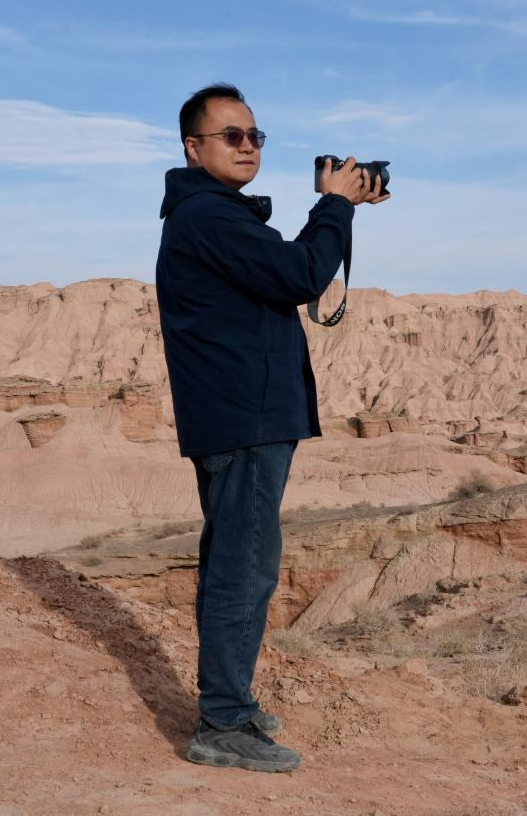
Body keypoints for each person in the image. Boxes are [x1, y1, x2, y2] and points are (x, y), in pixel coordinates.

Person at [155, 83, 388, 772]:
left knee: (237, 561)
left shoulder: (214, 215)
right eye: (231, 135)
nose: (247, 146)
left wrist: (341, 206)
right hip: (244, 421)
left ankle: (229, 705)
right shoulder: (209, 216)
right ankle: (222, 723)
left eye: (255, 135)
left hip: (240, 416)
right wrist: (335, 204)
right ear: (193, 147)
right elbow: (301, 274)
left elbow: (286, 272)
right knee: (243, 568)